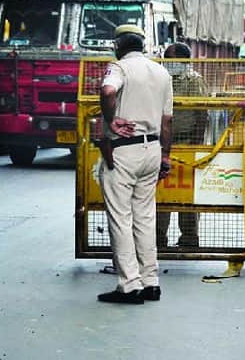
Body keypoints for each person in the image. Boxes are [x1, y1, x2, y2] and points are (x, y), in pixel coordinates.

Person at [97, 25, 174, 304]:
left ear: (118, 46)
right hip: (152, 148)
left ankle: (129, 285)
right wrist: (165, 155)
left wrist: (112, 117)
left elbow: (107, 92)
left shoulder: (119, 68)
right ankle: (151, 281)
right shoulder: (162, 72)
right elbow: (167, 121)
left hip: (123, 151)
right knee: (145, 217)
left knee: (121, 218)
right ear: (142, 46)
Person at [156, 43, 205, 248]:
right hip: (161, 144)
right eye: (165, 58)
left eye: (171, 58)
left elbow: (202, 113)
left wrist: (197, 143)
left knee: (187, 193)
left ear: (183, 60)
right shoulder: (159, 78)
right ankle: (158, 238)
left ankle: (189, 238)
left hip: (187, 142)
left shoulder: (194, 80)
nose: (167, 62)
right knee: (161, 193)